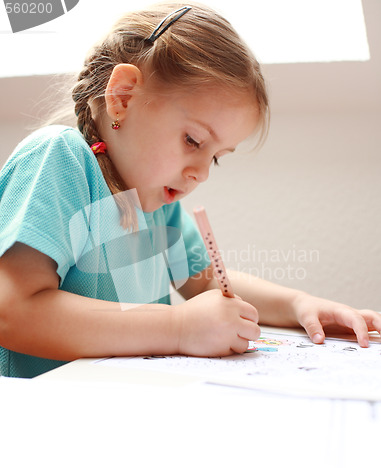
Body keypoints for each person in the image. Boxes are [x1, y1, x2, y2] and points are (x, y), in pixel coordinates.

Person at [0, 3, 380, 378]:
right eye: (194, 141)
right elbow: (13, 311)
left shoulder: (154, 203)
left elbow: (205, 280)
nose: (201, 175)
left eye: (215, 157)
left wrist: (301, 304)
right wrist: (177, 327)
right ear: (123, 98)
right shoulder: (60, 160)